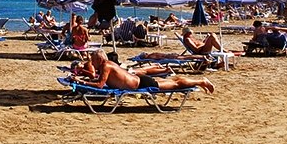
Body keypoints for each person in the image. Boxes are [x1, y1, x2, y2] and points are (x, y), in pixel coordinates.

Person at [70, 50, 214, 93]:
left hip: (141, 84)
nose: (92, 63)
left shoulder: (106, 66)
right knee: (173, 81)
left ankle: (201, 81)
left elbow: (100, 85)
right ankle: (199, 81)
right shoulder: (107, 64)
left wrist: (81, 81)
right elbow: (100, 81)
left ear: (98, 60)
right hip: (139, 81)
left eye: (93, 61)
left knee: (175, 84)